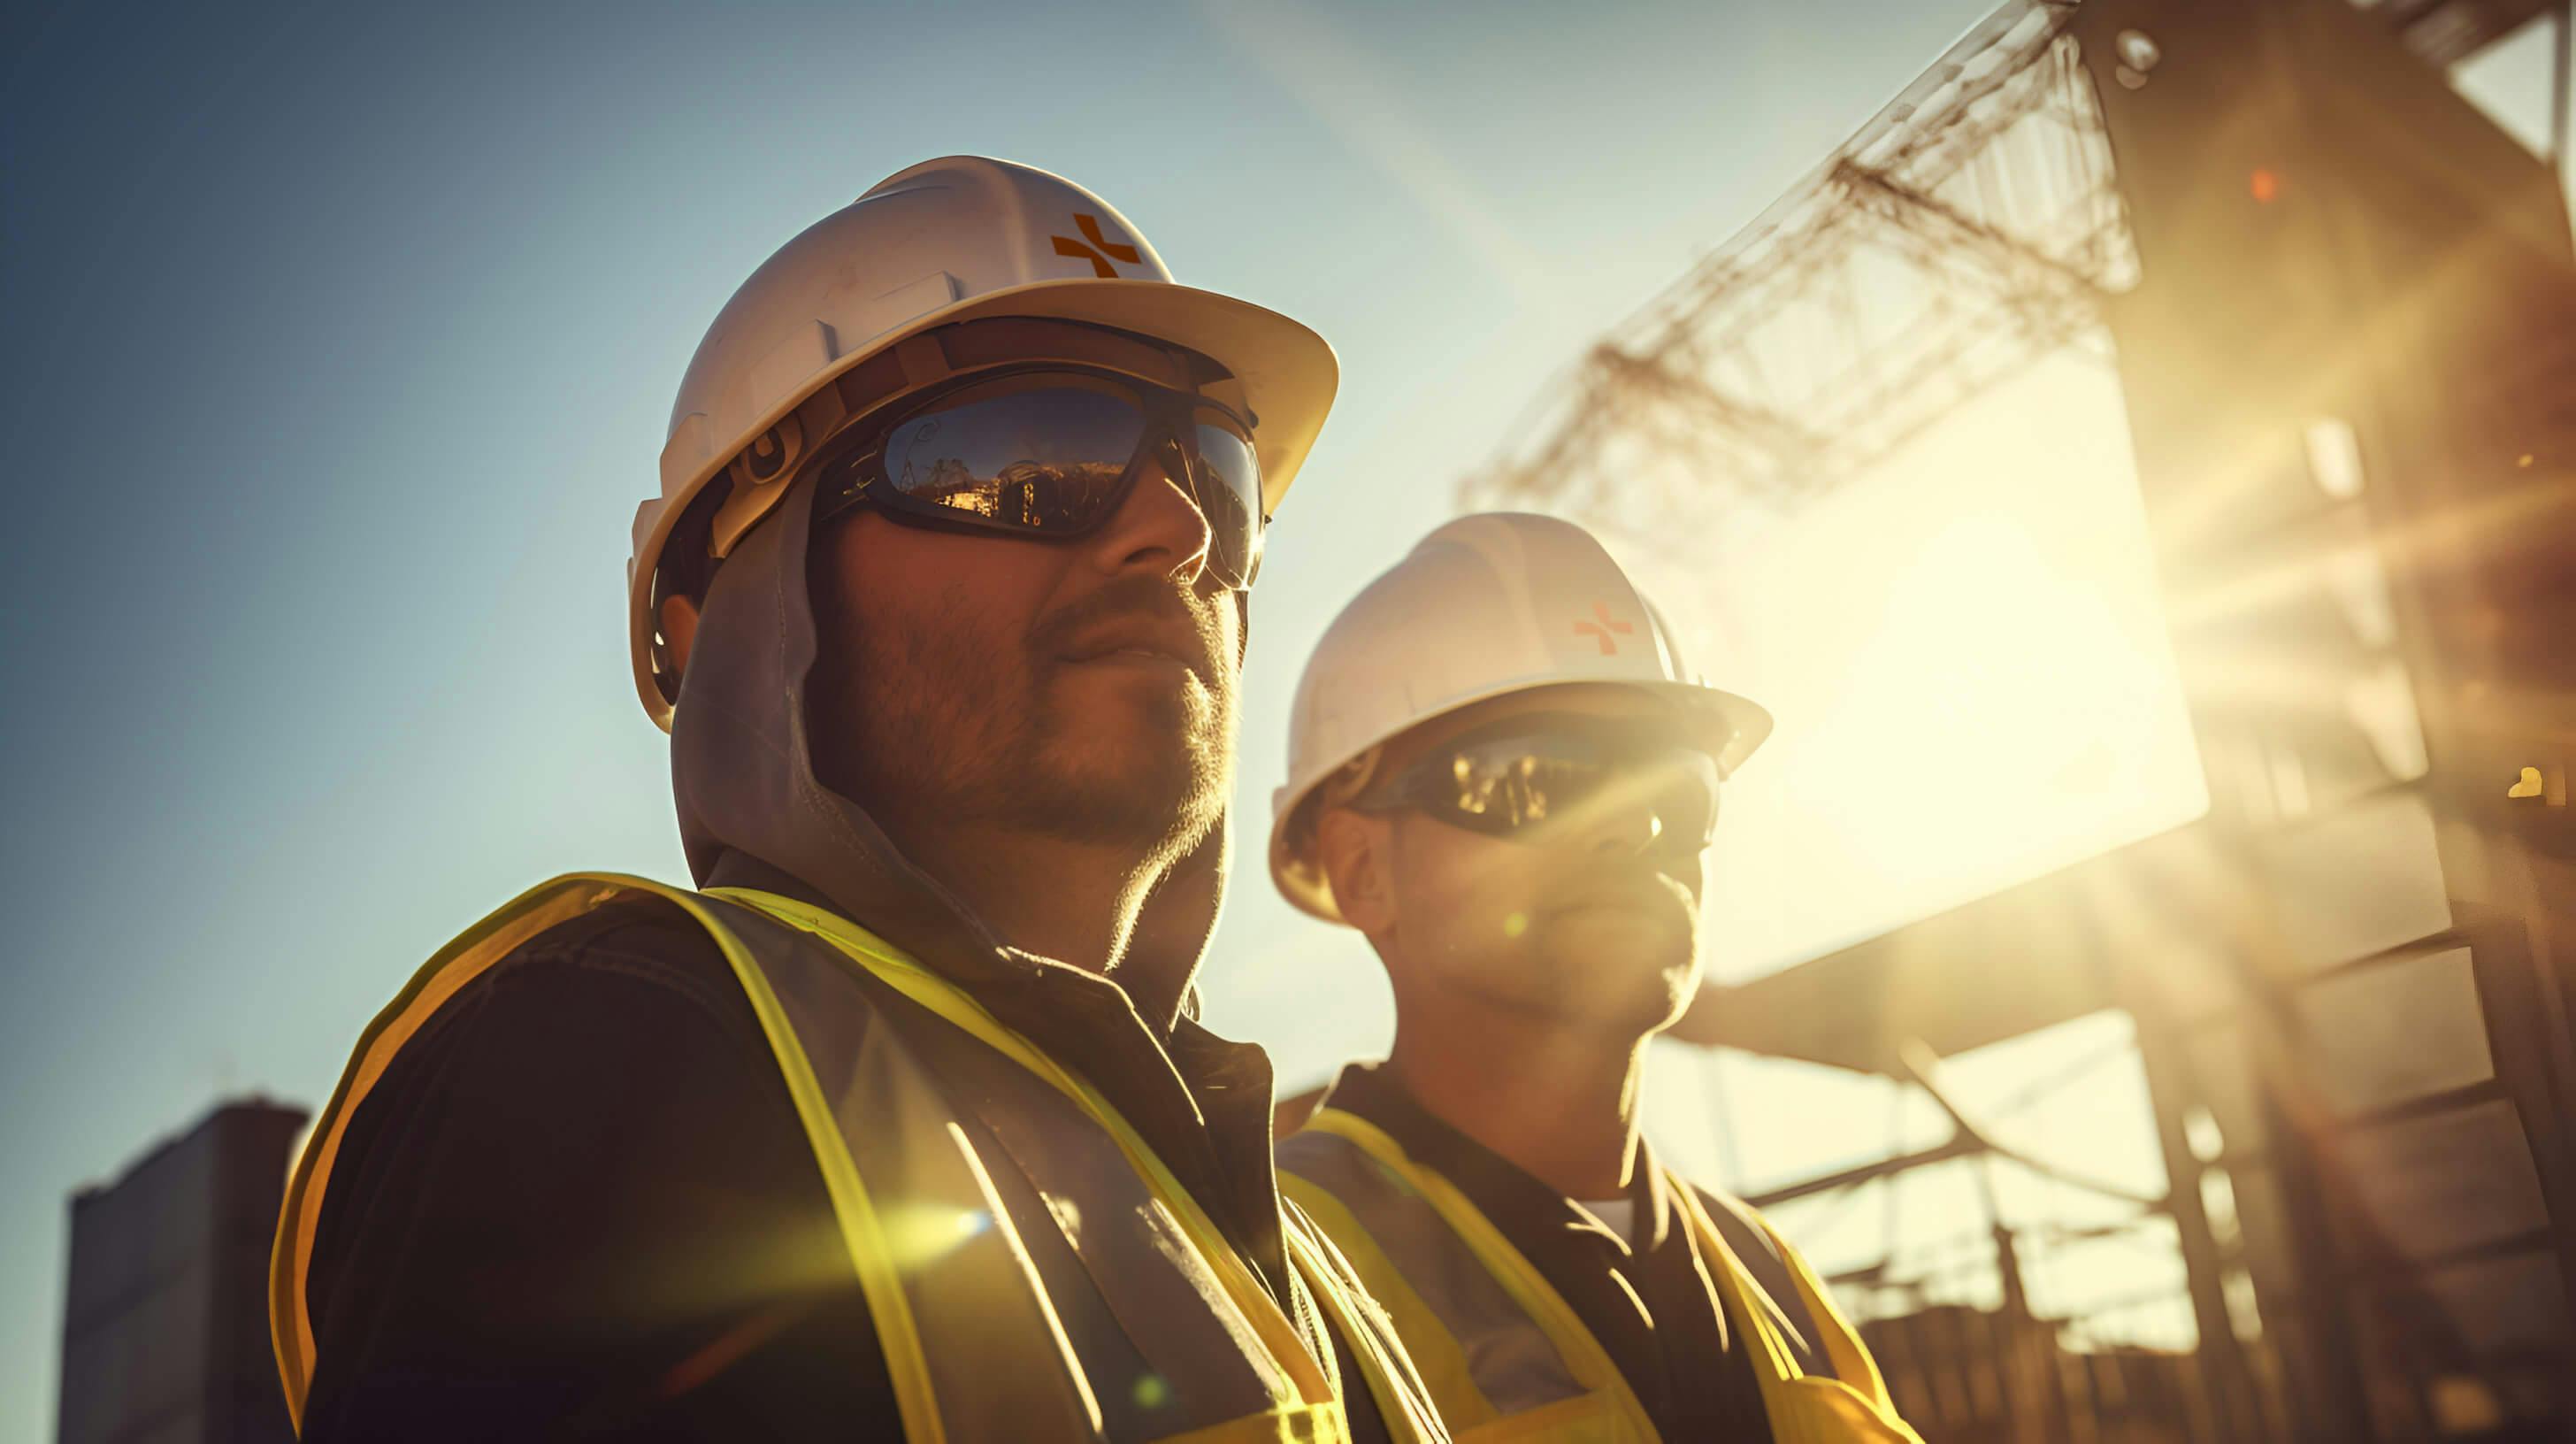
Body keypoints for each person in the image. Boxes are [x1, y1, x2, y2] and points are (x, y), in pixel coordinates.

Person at [269, 156, 1443, 1444]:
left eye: (1211, 469)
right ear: (719, 616)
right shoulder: (612, 1056)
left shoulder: (1296, 1250)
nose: (1176, 527)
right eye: (1028, 453)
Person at [1269, 512, 1922, 1443]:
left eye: (1674, 789)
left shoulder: (1777, 1286)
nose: (1632, 828)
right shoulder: (1271, 1282)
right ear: (1362, 868)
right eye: (1533, 779)